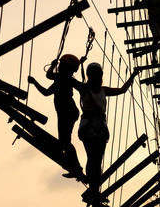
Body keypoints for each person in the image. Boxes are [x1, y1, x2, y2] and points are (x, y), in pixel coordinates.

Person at [76, 63, 140, 206]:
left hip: (96, 127)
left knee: (95, 159)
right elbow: (123, 90)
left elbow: (123, 90)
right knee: (94, 158)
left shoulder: (99, 90)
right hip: (91, 127)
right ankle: (94, 189)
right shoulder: (85, 89)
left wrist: (133, 76)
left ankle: (94, 189)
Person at [28, 54, 86, 183]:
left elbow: (47, 81)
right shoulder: (66, 79)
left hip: (66, 111)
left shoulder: (61, 78)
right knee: (65, 141)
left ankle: (76, 168)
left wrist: (52, 65)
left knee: (65, 141)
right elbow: (49, 87)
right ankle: (76, 168)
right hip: (69, 111)